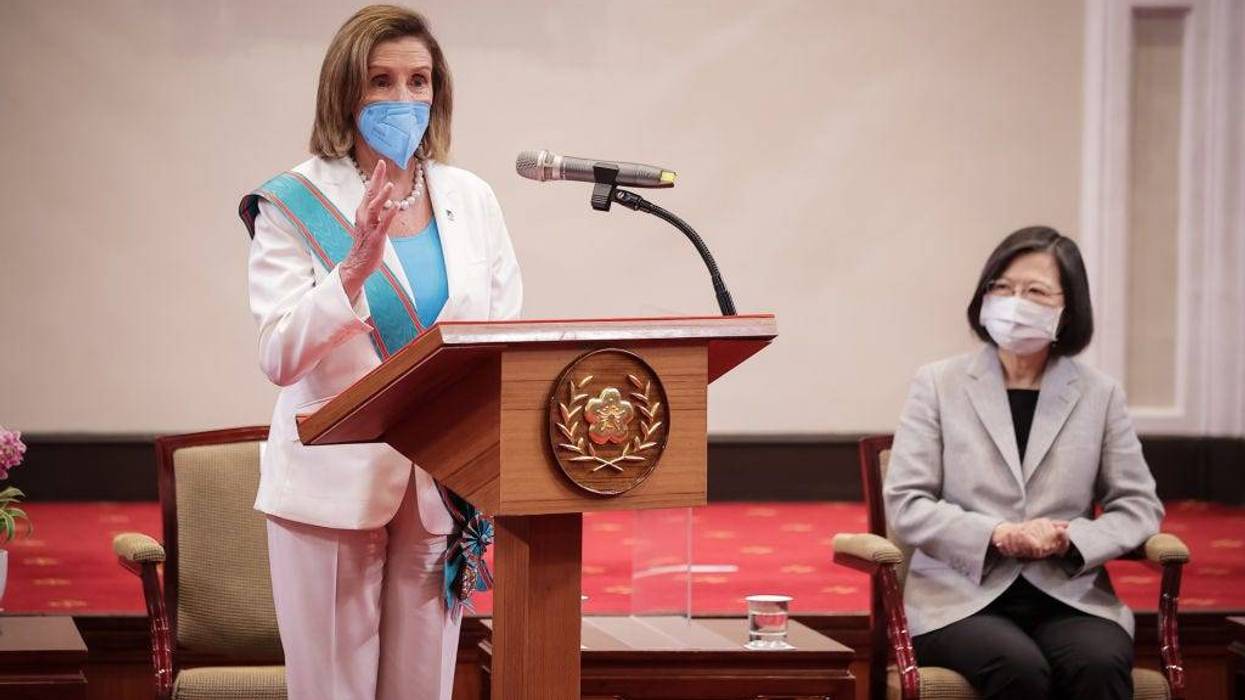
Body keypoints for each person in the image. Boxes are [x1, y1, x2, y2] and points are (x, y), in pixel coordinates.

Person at [238, 6, 521, 699]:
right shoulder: (293, 202)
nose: (403, 100)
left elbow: (504, 336)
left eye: (418, 82)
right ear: (345, 91)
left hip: (437, 483)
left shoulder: (470, 198)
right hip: (330, 489)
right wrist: (352, 275)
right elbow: (279, 354)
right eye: (381, 82)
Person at [883, 226, 1162, 699]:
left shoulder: (1099, 394)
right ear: (984, 296)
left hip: (1068, 593)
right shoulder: (938, 384)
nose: (1015, 302)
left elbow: (1138, 506)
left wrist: (1072, 539)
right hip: (959, 598)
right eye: (1002, 288)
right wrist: (997, 534)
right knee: (1018, 668)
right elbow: (907, 503)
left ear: (1067, 309)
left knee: (1099, 662)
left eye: (1035, 291)